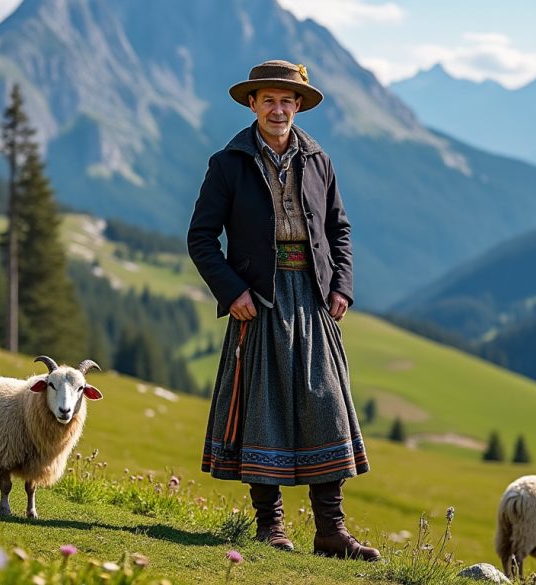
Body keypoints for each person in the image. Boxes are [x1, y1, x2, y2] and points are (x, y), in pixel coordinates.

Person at [188, 60, 378, 562]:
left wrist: (342, 285)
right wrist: (232, 293)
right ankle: (270, 526)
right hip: (259, 302)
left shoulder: (319, 159)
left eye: (287, 100)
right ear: (252, 104)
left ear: (298, 106)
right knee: (262, 408)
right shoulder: (228, 163)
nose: (278, 109)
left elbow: (340, 231)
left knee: (326, 406)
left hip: (314, 300)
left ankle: (330, 532)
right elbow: (201, 239)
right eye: (269, 99)